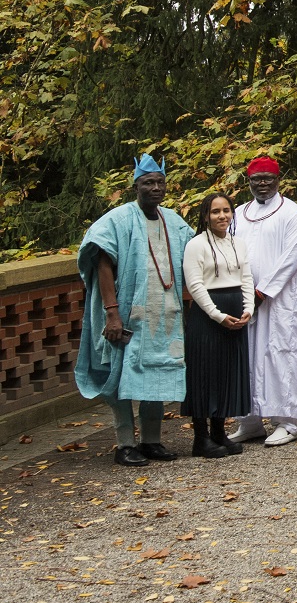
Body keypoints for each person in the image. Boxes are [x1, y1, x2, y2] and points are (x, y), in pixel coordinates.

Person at [75, 155, 193, 467]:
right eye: (147, 183)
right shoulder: (117, 220)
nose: (155, 188)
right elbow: (101, 262)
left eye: (159, 182)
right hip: (125, 316)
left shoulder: (174, 221)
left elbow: (196, 256)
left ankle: (151, 440)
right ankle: (124, 443)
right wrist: (112, 313)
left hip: (163, 318)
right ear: (135, 186)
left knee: (155, 375)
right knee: (120, 376)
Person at [228, 156, 297, 447]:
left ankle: (286, 421)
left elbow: (292, 256)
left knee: (281, 353)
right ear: (248, 182)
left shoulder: (293, 213)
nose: (262, 184)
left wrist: (263, 291)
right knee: (245, 355)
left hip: (280, 299)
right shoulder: (237, 214)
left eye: (267, 178)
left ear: (278, 180)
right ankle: (249, 421)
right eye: (256, 179)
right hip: (245, 299)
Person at [181, 193, 254, 459]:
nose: (222, 216)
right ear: (205, 215)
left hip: (236, 313)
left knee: (226, 373)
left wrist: (248, 309)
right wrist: (217, 314)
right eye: (215, 212)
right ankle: (200, 439)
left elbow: (246, 277)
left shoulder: (239, 243)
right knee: (205, 374)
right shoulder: (196, 245)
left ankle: (219, 432)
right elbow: (195, 285)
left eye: (226, 210)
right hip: (208, 316)